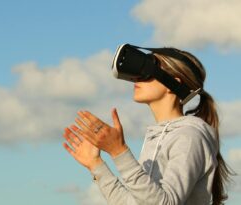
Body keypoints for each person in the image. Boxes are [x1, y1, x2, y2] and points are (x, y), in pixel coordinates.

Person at [62, 46, 233, 205]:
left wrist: (119, 152)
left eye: (147, 71)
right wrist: (96, 165)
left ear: (173, 84)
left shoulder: (189, 137)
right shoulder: (156, 138)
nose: (136, 77)